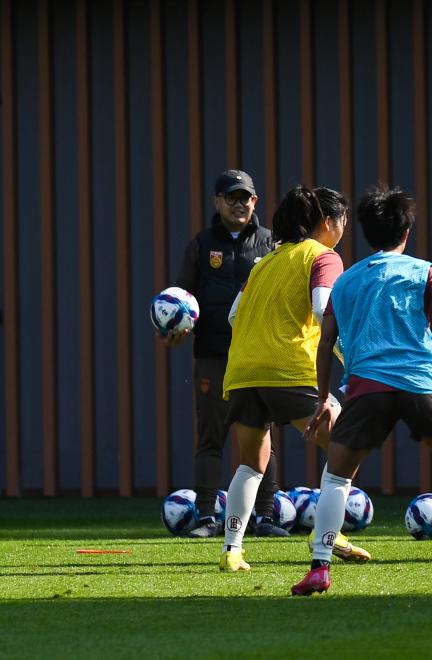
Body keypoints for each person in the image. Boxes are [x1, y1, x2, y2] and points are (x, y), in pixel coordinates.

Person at [291, 185, 432, 595]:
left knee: (336, 478)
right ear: (407, 231)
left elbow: (325, 344)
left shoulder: (345, 281)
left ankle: (320, 567)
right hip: (419, 383)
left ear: (364, 231)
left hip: (366, 389)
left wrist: (323, 398)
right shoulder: (423, 270)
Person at [216, 185, 369, 572]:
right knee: (346, 446)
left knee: (251, 463)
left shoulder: (265, 261)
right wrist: (352, 360)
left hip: (243, 371)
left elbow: (233, 316)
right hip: (290, 369)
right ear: (328, 222)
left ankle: (232, 551)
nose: (344, 228)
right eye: (343, 220)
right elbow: (322, 309)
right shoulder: (323, 256)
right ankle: (327, 533)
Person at [166, 169, 286, 538]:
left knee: (262, 435)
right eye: (231, 197)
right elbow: (181, 298)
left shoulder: (271, 243)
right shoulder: (201, 246)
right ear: (217, 202)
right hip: (214, 355)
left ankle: (265, 517)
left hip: (258, 356)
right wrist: (173, 329)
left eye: (245, 197)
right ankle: (206, 517)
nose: (239, 204)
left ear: (255, 202)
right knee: (211, 435)